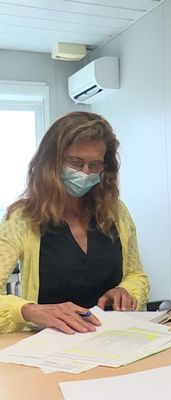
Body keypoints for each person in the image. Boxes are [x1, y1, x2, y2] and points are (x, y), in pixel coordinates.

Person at [0, 111, 149, 335]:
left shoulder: (116, 212)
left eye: (95, 165)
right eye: (76, 162)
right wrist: (29, 310)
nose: (85, 173)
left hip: (114, 338)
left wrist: (126, 290)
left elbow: (136, 275)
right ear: (52, 162)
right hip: (52, 344)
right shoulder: (22, 217)